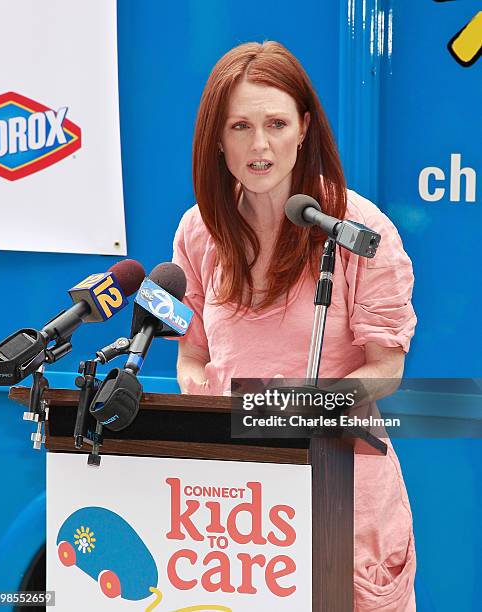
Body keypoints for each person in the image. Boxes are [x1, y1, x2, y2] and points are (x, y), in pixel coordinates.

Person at [172, 41, 417, 611]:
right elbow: (191, 352)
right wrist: (194, 384)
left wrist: (304, 404)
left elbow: (387, 368)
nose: (260, 146)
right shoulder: (198, 231)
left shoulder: (358, 229)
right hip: (238, 506)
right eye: (240, 126)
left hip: (344, 498)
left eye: (277, 123)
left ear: (304, 127)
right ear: (216, 137)